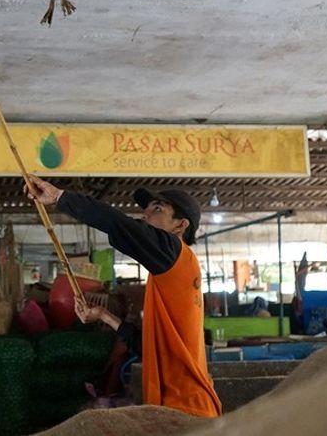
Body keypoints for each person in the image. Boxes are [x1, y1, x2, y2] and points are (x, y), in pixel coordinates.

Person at [26, 174, 221, 418]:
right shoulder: (168, 273)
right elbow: (146, 346)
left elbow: (120, 224)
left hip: (187, 410)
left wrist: (60, 198)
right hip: (177, 410)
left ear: (180, 226)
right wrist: (104, 316)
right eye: (146, 209)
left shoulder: (175, 253)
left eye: (157, 209)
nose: (145, 215)